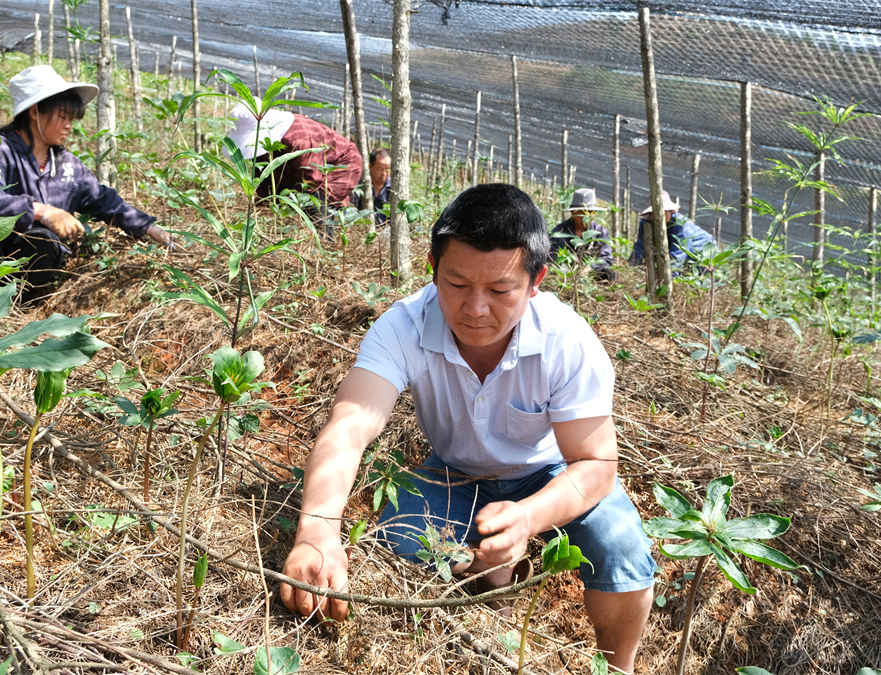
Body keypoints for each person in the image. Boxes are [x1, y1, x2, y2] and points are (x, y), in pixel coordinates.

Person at [280, 184, 656, 674]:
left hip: (549, 472)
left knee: (621, 548)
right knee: (399, 535)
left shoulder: (566, 341)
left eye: (500, 290)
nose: (476, 308)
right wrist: (316, 530)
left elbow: (596, 464)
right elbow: (349, 425)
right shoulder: (404, 327)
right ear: (433, 268)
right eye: (456, 285)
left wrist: (528, 517)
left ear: (536, 280)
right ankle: (493, 574)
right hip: (454, 473)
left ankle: (619, 666)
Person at [0, 65, 175, 296]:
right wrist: (42, 211)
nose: (68, 126)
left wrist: (148, 228)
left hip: (35, 272)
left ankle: (25, 302)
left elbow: (105, 201)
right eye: (62, 117)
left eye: (71, 119)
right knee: (2, 241)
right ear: (34, 112)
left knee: (44, 241)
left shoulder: (67, 165)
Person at [226, 102, 363, 226]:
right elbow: (264, 178)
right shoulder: (265, 145)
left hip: (341, 163)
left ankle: (323, 246)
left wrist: (285, 208)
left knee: (316, 204)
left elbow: (309, 183)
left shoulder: (299, 138)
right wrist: (265, 203)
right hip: (303, 169)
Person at [627, 190, 716, 269]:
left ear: (670, 211)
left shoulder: (680, 225)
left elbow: (677, 257)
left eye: (663, 212)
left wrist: (668, 278)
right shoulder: (646, 223)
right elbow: (640, 248)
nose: (658, 217)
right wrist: (631, 268)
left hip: (704, 253)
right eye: (654, 213)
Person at [550, 188, 617, 283]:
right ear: (573, 212)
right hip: (566, 275)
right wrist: (569, 270)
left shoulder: (600, 232)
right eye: (581, 213)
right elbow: (553, 255)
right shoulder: (560, 231)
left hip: (592, 276)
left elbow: (607, 259)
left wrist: (590, 268)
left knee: (612, 273)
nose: (585, 218)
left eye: (589, 213)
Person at [364, 147, 391, 225]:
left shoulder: (393, 188)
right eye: (380, 169)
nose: (384, 174)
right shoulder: (361, 184)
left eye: (387, 170)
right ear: (370, 167)